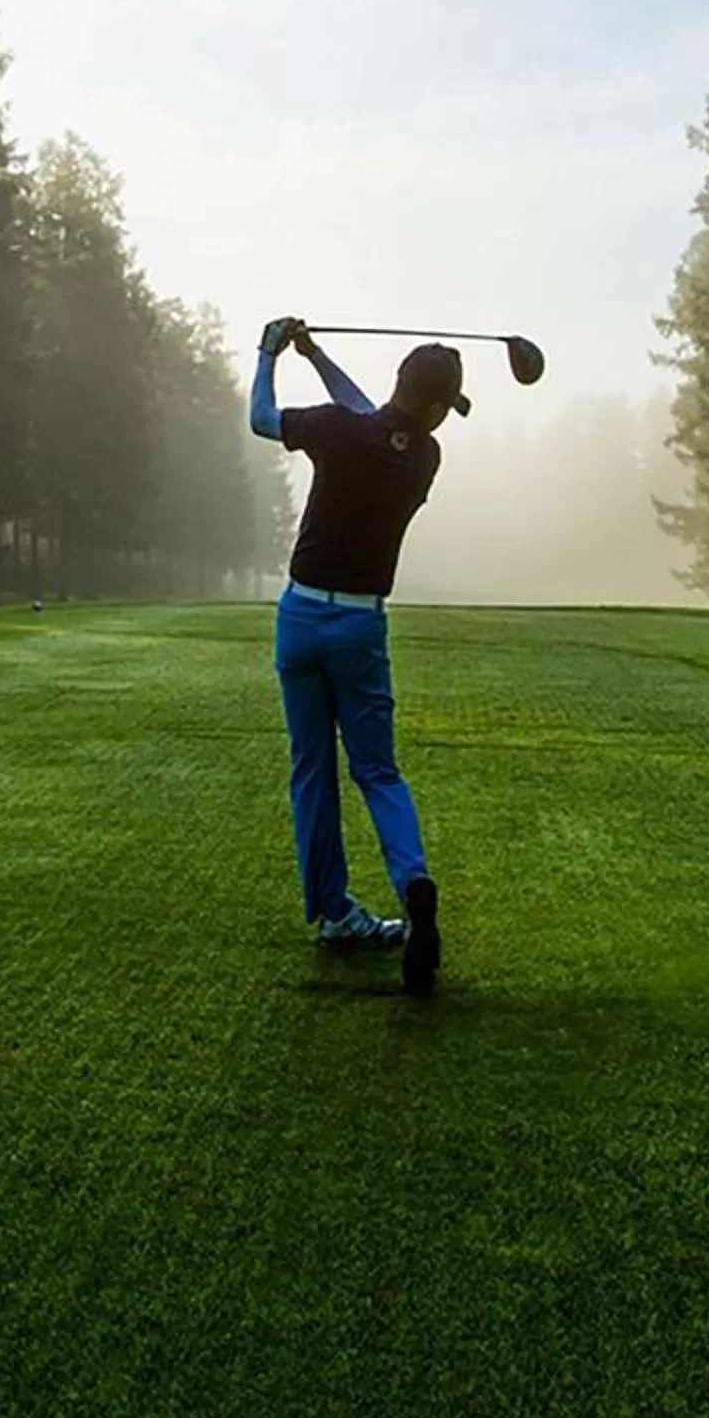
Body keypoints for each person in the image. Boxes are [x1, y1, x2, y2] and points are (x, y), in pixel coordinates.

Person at [248, 315, 464, 996]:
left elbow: (262, 419)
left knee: (311, 769)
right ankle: (413, 882)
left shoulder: (338, 432)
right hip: (360, 628)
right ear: (429, 407)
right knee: (377, 772)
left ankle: (335, 914)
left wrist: (271, 352)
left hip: (301, 618)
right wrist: (317, 354)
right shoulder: (423, 457)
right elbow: (369, 413)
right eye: (447, 408)